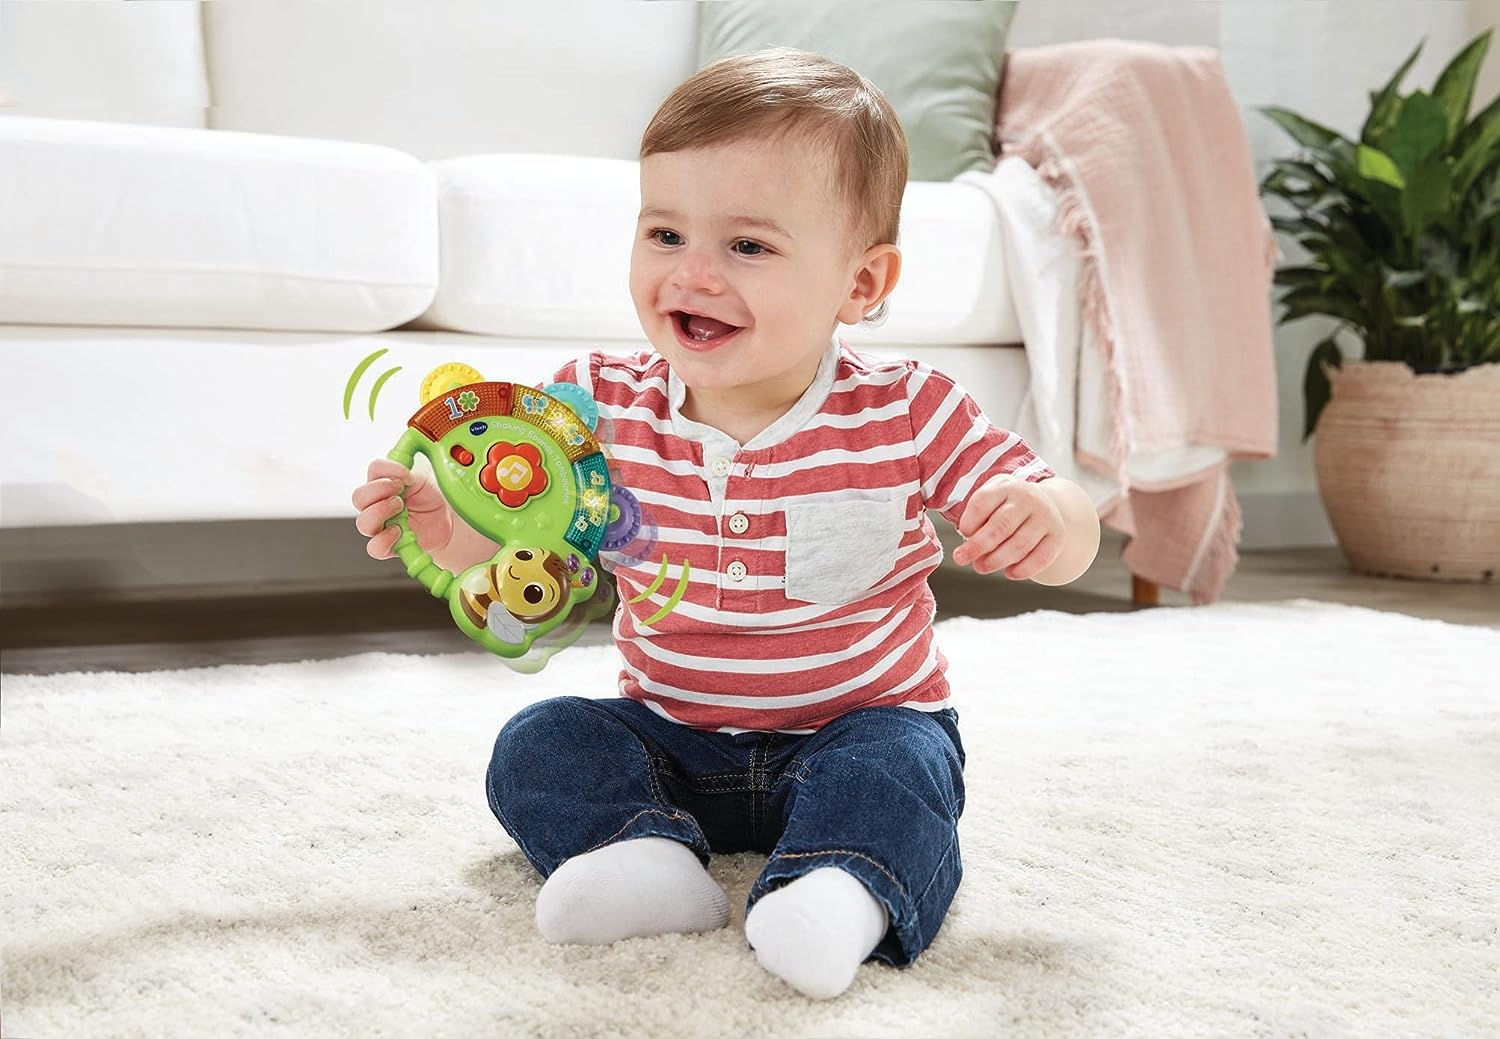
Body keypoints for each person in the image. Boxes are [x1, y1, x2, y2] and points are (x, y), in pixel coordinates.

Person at [352, 48, 1100, 1000]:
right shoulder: (591, 405)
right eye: (665, 233)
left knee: (904, 768)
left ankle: (837, 890)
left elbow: (1065, 515)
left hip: (854, 727)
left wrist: (1047, 520)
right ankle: (644, 859)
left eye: (748, 246)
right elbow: (528, 559)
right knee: (539, 742)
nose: (693, 273)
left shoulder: (908, 410)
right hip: (673, 737)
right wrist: (446, 531)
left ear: (862, 285)